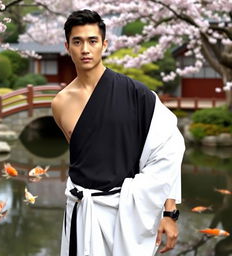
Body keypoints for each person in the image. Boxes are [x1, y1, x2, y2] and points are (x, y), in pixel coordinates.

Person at [51, 9, 185, 256]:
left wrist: (168, 212)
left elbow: (168, 148)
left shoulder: (136, 94)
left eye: (92, 41)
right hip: (81, 210)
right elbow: (87, 156)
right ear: (67, 46)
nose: (85, 49)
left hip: (124, 213)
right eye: (77, 42)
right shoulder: (60, 103)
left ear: (104, 44)